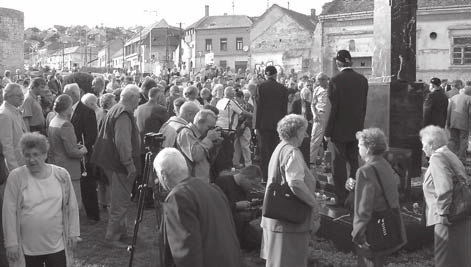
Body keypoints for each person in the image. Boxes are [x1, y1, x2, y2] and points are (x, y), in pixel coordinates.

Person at [153, 148, 244, 267]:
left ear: (164, 175)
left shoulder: (178, 198)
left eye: (158, 175)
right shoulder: (214, 189)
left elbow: (185, 252)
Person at [2, 132, 80, 267]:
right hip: (27, 249)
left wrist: (73, 233)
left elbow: (71, 206)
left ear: (45, 155)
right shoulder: (16, 177)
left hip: (57, 246)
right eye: (27, 155)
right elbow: (9, 212)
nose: (31, 160)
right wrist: (11, 243)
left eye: (36, 154)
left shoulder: (61, 175)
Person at [260, 114, 320, 267]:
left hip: (278, 218)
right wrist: (314, 204)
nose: (305, 135)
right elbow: (295, 183)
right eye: (304, 131)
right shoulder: (292, 152)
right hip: (289, 222)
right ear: (297, 132)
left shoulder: (280, 148)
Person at [91, 85, 141, 248]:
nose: (139, 101)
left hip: (110, 160)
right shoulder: (123, 113)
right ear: (132, 98)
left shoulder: (116, 108)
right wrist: (129, 164)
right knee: (120, 201)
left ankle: (122, 232)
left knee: (120, 198)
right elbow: (122, 141)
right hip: (118, 163)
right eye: (138, 98)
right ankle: (112, 237)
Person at [351, 128, 406, 267]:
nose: (358, 148)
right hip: (386, 226)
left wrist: (358, 234)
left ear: (368, 148)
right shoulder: (385, 164)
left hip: (372, 230)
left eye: (360, 146)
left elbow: (363, 208)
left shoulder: (365, 171)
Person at [420, 125, 471, 266]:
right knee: (460, 258)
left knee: (445, 259)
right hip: (461, 213)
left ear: (431, 145)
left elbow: (445, 187)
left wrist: (442, 213)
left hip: (447, 217)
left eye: (423, 144)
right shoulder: (450, 154)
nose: (422, 148)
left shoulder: (437, 158)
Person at [325, 50, 368, 206]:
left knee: (339, 164)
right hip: (356, 128)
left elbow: (333, 108)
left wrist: (327, 131)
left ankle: (341, 198)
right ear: (351, 62)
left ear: (337, 63)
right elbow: (363, 107)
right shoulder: (362, 80)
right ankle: (355, 195)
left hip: (338, 129)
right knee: (354, 162)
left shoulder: (335, 80)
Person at [64, 83, 99, 222]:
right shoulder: (66, 110)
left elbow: (91, 134)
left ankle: (93, 214)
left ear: (73, 95)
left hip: (84, 155)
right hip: (71, 153)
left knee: (88, 184)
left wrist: (82, 148)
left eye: (66, 93)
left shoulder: (86, 111)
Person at [48, 94, 88, 211]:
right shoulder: (66, 124)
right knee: (73, 205)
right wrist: (83, 151)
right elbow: (71, 152)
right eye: (71, 106)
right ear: (67, 108)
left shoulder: (54, 120)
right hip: (68, 168)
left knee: (61, 202)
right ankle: (71, 229)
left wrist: (76, 146)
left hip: (56, 164)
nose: (72, 109)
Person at [215, 165, 263, 249]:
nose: (252, 188)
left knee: (259, 241)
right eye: (252, 184)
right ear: (245, 177)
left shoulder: (243, 188)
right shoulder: (223, 182)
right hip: (225, 226)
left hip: (241, 224)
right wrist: (236, 206)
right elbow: (216, 206)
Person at [255, 66, 288, 180]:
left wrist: (256, 126)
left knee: (264, 151)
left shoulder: (261, 87)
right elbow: (284, 109)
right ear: (276, 75)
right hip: (278, 124)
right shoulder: (283, 88)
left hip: (264, 124)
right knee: (276, 150)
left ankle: (265, 176)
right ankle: (275, 175)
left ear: (266, 74)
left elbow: (258, 108)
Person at [175, 109, 222, 182]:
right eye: (209, 127)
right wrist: (208, 139)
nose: (210, 131)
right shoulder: (186, 133)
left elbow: (209, 160)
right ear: (199, 122)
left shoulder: (201, 136)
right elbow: (195, 156)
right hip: (192, 183)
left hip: (202, 181)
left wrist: (216, 144)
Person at [0, 83, 28, 172]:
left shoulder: (14, 110)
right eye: (19, 95)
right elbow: (6, 145)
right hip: (16, 165)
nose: (22, 97)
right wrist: (14, 169)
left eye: (22, 94)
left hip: (22, 160)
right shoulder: (5, 114)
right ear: (8, 96)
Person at [310, 72, 331, 165]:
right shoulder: (317, 90)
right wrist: (314, 114)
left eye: (322, 79)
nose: (320, 82)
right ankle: (311, 161)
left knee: (330, 140)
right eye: (318, 80)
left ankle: (328, 162)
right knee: (314, 139)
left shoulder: (332, 89)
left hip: (330, 116)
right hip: (320, 115)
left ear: (326, 80)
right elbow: (312, 104)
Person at [446, 86, 471, 163]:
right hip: (464, 123)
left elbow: (449, 110)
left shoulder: (453, 98)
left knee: (453, 140)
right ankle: (461, 159)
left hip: (453, 122)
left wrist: (448, 123)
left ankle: (451, 158)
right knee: (463, 141)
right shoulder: (469, 99)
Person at [292, 87, 313, 165]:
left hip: (306, 126)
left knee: (306, 145)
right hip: (298, 126)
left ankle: (306, 163)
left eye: (308, 94)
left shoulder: (309, 104)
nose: (307, 96)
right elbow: (293, 113)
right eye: (306, 94)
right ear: (302, 94)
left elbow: (310, 116)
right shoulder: (296, 103)